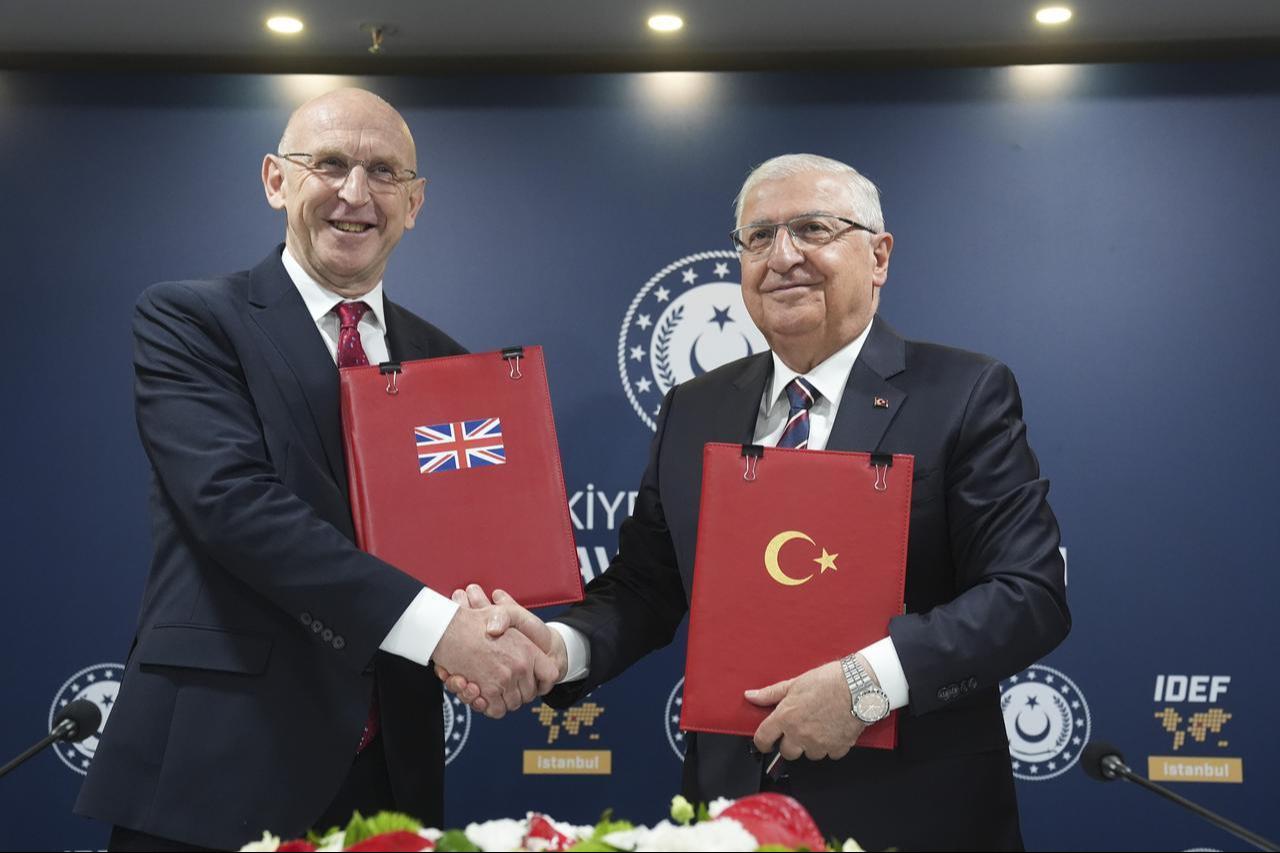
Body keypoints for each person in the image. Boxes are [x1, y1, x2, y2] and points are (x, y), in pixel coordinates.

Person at [443, 153, 1070, 851]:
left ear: (880, 255)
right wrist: (561, 648)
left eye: (812, 229)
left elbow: (1028, 594)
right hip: (733, 814)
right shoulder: (697, 407)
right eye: (759, 237)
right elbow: (648, 586)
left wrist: (867, 684)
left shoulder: (963, 393)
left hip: (915, 814)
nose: (783, 256)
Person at [75, 88, 557, 852]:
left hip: (388, 774)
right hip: (220, 763)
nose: (355, 194)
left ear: (415, 201)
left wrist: (491, 622)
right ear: (276, 180)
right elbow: (234, 506)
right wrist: (442, 631)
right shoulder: (191, 320)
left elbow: (465, 547)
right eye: (328, 164)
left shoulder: (450, 363)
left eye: (383, 172)